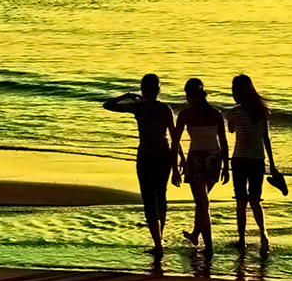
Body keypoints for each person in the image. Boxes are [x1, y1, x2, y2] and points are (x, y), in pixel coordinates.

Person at [102, 73, 178, 254]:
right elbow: (174, 136)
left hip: (146, 156)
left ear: (143, 90)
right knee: (161, 196)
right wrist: (177, 161)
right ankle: (159, 237)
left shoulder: (139, 107)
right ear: (158, 90)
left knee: (149, 200)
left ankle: (157, 243)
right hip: (163, 156)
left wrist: (126, 96)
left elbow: (108, 105)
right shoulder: (164, 108)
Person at [223, 73, 280, 256]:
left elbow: (231, 130)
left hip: (240, 159)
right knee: (255, 200)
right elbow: (266, 139)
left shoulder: (235, 112)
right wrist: (272, 164)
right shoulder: (263, 111)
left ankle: (242, 239)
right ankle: (263, 234)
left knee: (241, 201)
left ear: (238, 92)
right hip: (258, 160)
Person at [173, 78, 227, 250]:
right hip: (214, 159)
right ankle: (196, 235)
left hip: (197, 159)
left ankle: (209, 247)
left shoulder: (186, 114)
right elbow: (224, 142)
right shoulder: (216, 113)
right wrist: (226, 166)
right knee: (202, 202)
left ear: (189, 95)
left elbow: (175, 142)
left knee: (202, 203)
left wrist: (174, 168)